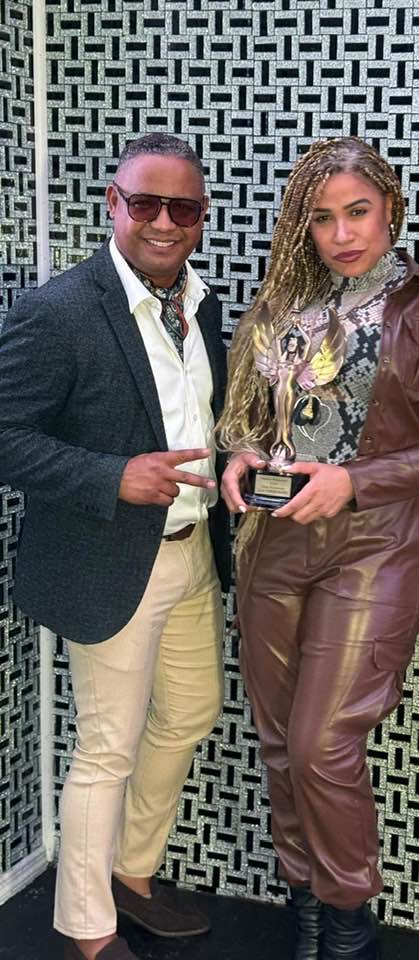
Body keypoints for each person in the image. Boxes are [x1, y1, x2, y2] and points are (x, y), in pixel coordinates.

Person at [218, 136, 419, 960]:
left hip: (375, 544)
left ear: (391, 209)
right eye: (323, 218)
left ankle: (346, 922)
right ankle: (304, 904)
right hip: (272, 542)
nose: (341, 234)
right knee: (277, 741)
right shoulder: (280, 304)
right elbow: (250, 420)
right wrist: (240, 455)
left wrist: (356, 480)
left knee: (320, 744)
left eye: (358, 212)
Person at [0, 133, 230, 960]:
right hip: (108, 560)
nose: (165, 223)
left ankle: (132, 874)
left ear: (201, 216)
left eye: (183, 208)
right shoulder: (58, 311)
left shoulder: (201, 303)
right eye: (146, 203)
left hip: (194, 550)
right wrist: (112, 476)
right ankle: (89, 930)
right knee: (107, 748)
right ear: (113, 204)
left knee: (193, 711)